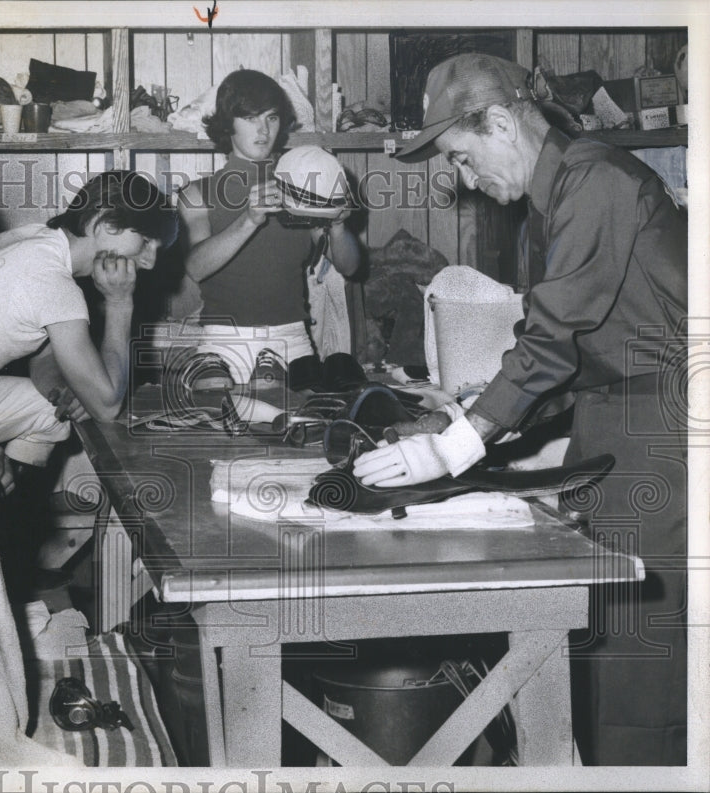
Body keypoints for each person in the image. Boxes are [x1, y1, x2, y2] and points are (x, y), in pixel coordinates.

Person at [354, 53, 687, 765]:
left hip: (668, 424)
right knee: (600, 633)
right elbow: (570, 362)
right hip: (614, 417)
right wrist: (475, 413)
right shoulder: (551, 203)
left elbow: (551, 342)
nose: (466, 180)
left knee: (640, 661)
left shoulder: (595, 179)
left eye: (462, 158)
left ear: (501, 123)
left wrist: (456, 448)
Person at [0, 171, 178, 473]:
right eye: (144, 242)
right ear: (103, 223)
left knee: (53, 412)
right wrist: (120, 303)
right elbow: (106, 407)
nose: (150, 261)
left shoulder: (30, 239)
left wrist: (68, 388)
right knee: (89, 411)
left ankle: (9, 497)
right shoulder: (54, 282)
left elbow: (43, 353)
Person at [177, 69, 361, 384]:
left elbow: (350, 266)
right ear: (228, 123)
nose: (263, 130)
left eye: (272, 118)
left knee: (308, 426)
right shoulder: (197, 193)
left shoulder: (303, 182)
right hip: (223, 341)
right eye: (250, 118)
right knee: (218, 417)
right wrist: (249, 219)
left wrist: (339, 227)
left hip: (292, 340)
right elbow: (195, 268)